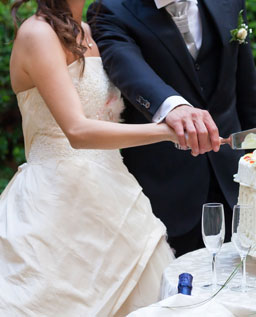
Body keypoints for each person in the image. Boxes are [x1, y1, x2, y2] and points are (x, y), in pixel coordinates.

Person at [1, 0, 177, 315]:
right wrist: (167, 131)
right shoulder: (37, 33)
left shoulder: (90, 31)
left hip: (115, 197)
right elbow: (77, 131)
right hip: (54, 209)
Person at [88, 0, 256, 257]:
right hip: (166, 192)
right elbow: (128, 68)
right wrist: (172, 108)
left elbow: (245, 88)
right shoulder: (112, 10)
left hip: (235, 182)